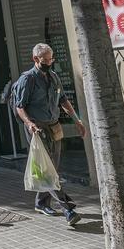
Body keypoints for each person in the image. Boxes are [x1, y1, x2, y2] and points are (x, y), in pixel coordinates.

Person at [13, 43, 87, 226]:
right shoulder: (27, 79)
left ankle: (41, 202)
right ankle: (68, 209)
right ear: (35, 59)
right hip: (37, 129)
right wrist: (29, 123)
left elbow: (63, 100)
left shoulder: (54, 77)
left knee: (52, 167)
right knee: (47, 170)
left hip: (54, 126)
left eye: (51, 59)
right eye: (45, 60)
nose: (49, 62)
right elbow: (19, 106)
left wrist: (77, 120)